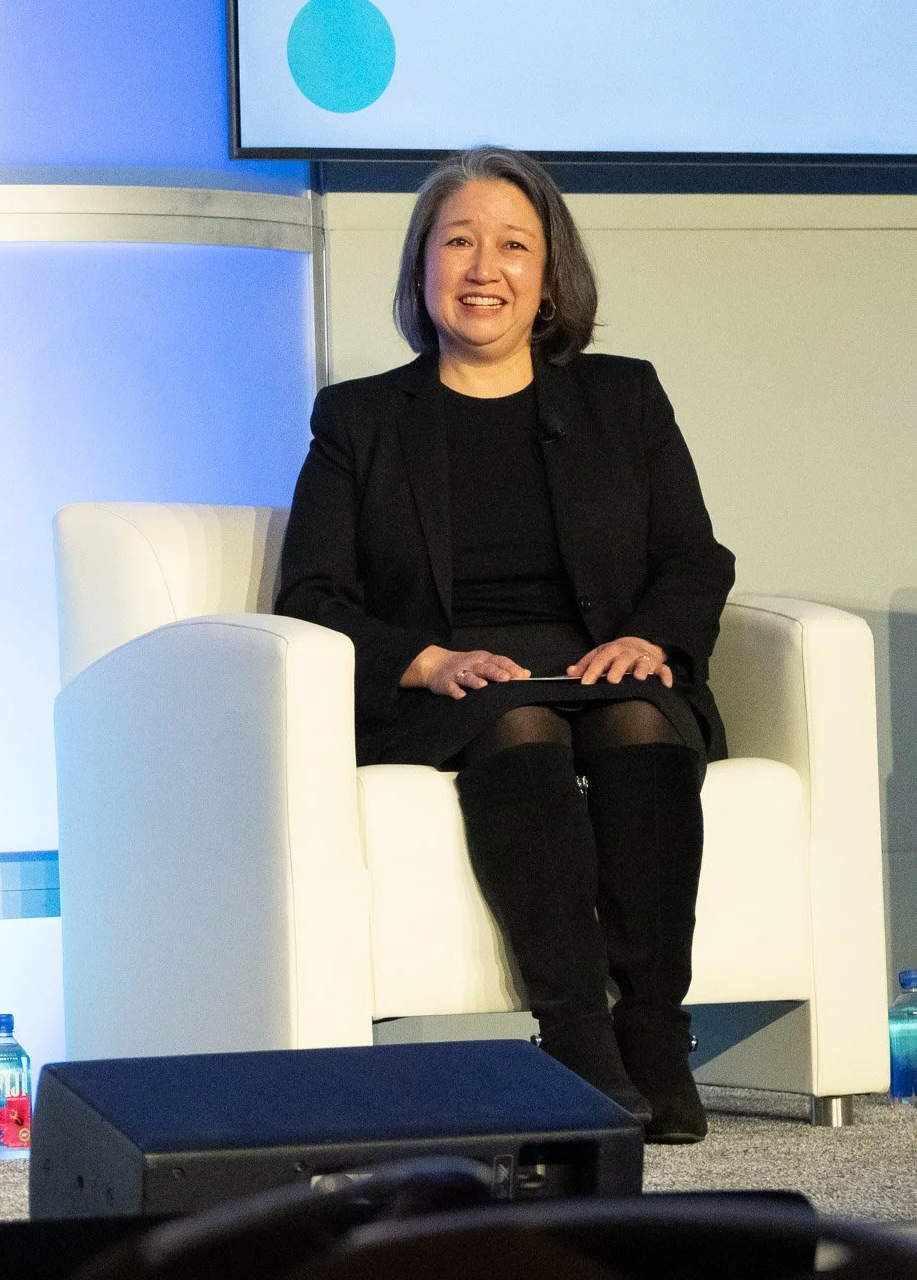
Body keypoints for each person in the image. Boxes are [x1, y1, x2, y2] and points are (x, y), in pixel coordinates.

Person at [276, 147, 734, 1143]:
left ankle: (655, 1033)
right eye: (460, 242)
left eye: (513, 245)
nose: (485, 268)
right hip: (450, 686)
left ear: (550, 273)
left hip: (599, 661)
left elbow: (696, 558)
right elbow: (309, 592)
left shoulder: (626, 398)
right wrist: (425, 659)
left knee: (641, 714)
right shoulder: (359, 419)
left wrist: (648, 638)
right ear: (422, 266)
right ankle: (577, 1036)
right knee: (517, 714)